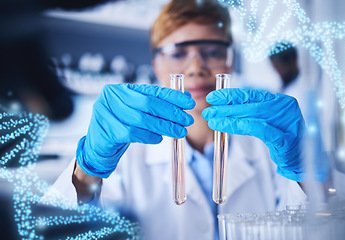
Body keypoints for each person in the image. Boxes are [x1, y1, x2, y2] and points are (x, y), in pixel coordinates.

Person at [43, 0, 307, 239]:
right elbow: (51, 232)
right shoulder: (125, 158)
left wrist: (307, 168)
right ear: (156, 64)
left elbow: (326, 224)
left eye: (212, 51)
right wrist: (87, 171)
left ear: (230, 60)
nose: (196, 68)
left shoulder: (270, 148)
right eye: (178, 53)